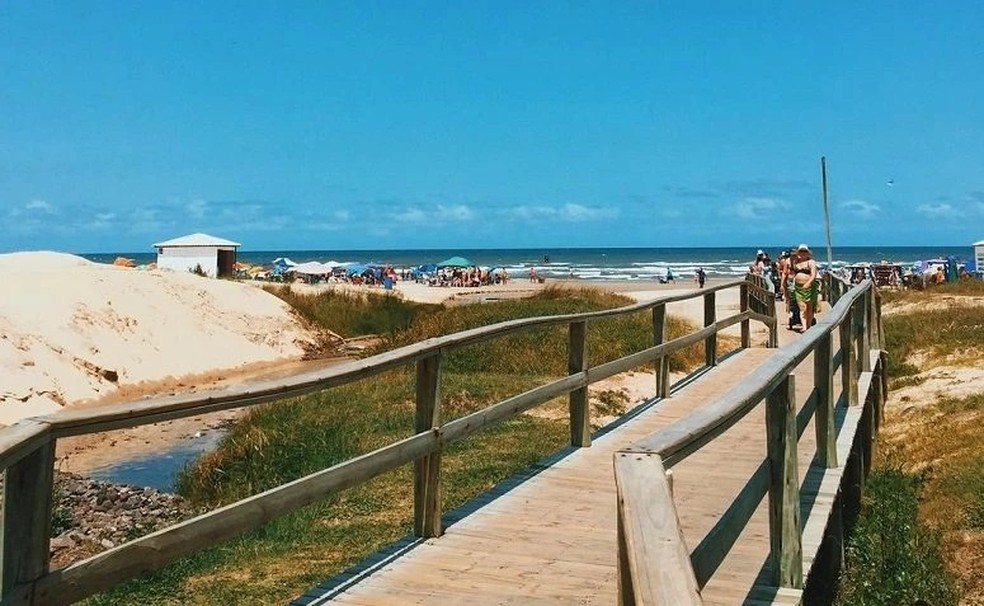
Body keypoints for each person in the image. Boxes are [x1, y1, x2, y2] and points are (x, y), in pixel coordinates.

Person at [791, 244, 819, 331]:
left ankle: (809, 325)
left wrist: (808, 283)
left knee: (809, 307)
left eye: (805, 251)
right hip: (798, 288)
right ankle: (804, 326)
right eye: (801, 251)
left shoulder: (811, 262)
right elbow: (792, 271)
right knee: (802, 307)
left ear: (808, 253)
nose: (803, 253)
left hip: (809, 288)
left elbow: (813, 274)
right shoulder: (796, 262)